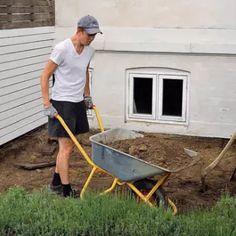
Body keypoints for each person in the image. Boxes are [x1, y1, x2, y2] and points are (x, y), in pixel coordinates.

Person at [40, 15, 102, 197]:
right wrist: (46, 103)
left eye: (94, 35)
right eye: (89, 34)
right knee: (66, 148)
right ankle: (66, 191)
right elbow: (44, 76)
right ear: (79, 31)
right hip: (62, 103)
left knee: (69, 147)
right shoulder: (62, 49)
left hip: (77, 102)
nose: (92, 38)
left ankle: (55, 184)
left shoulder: (89, 51)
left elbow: (84, 72)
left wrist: (87, 95)